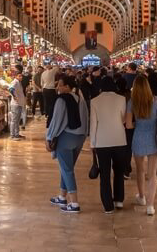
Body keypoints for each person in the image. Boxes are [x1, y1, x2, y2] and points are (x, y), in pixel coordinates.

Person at [125, 75, 157, 215]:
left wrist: (137, 123)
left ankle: (142, 197)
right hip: (153, 138)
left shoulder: (132, 102)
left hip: (138, 137)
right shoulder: (156, 100)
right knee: (152, 174)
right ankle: (150, 206)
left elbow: (128, 125)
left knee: (140, 171)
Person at [46, 73, 90, 213]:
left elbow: (56, 121)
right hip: (79, 137)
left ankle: (74, 203)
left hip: (66, 137)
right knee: (66, 168)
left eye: (60, 84)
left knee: (67, 169)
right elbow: (85, 118)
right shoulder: (79, 98)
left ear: (67, 86)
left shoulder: (61, 100)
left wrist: (49, 137)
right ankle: (62, 196)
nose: (57, 87)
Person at [89, 76, 129, 213]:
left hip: (102, 141)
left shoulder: (94, 101)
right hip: (119, 140)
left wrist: (92, 144)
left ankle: (108, 205)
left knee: (104, 175)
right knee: (119, 171)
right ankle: (119, 200)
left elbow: (93, 124)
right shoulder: (121, 99)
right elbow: (124, 119)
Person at [8, 65, 27, 140]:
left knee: (17, 120)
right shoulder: (15, 82)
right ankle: (12, 135)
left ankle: (17, 134)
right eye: (19, 76)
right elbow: (10, 89)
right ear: (16, 76)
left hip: (19, 104)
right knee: (14, 120)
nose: (21, 77)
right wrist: (14, 96)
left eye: (21, 76)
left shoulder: (18, 82)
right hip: (15, 104)